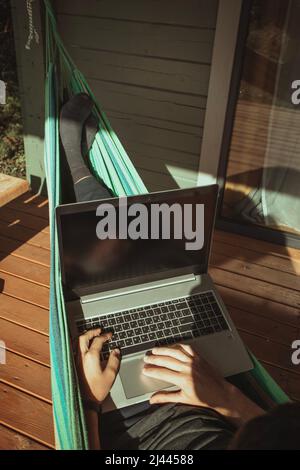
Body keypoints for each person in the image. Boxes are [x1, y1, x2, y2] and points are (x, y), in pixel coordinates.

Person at [61, 93, 300, 451]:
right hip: (217, 396)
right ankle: (81, 170)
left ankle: (76, 164)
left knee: (109, 243)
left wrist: (90, 404)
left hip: (130, 420)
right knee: (144, 245)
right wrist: (225, 396)